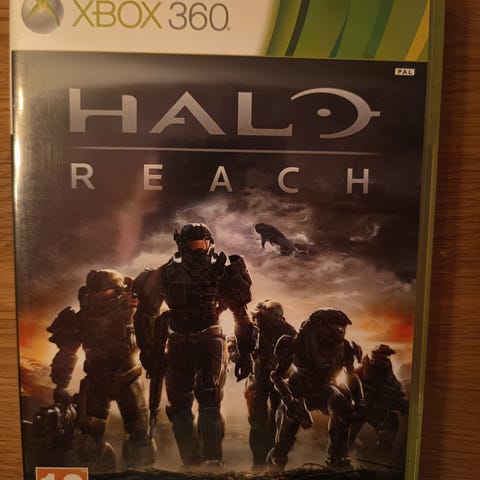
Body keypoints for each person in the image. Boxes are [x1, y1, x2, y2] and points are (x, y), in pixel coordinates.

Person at [134, 223, 257, 470]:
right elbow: (145, 313)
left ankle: (212, 460)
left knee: (209, 399)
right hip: (178, 342)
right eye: (193, 244)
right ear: (182, 245)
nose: (199, 249)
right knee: (180, 406)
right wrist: (147, 350)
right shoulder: (167, 273)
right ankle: (190, 463)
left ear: (210, 243)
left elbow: (241, 314)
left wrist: (245, 353)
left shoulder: (221, 272)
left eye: (203, 243)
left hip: (210, 340)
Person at [48, 269, 156, 472]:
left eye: (104, 295)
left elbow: (154, 339)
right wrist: (60, 384)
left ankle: (140, 471)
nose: (98, 300)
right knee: (89, 438)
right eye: (94, 295)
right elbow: (67, 351)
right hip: (96, 380)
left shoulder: (135, 311)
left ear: (118, 292)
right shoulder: (82, 317)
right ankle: (97, 470)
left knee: (139, 437)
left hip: (129, 380)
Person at [267, 308, 364, 470]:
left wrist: (359, 400)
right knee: (283, 443)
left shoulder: (344, 347)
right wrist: (290, 401)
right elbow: (276, 375)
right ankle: (276, 463)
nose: (340, 331)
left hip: (324, 389)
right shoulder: (298, 343)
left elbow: (351, 375)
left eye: (342, 327)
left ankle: (336, 459)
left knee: (343, 408)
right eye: (336, 326)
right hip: (297, 390)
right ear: (320, 326)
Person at [350, 344, 409, 457]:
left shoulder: (386, 370)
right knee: (349, 433)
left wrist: (396, 397)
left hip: (378, 409)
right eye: (384, 355)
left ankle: (382, 456)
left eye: (387, 355)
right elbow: (352, 389)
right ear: (375, 355)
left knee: (390, 427)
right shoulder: (360, 371)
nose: (386, 358)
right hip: (361, 408)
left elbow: (396, 386)